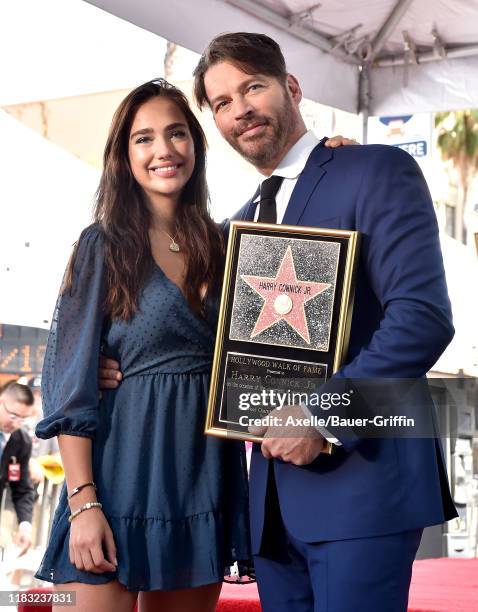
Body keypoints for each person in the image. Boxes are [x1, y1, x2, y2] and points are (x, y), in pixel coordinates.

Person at [101, 32, 457, 612]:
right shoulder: (233, 229)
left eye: (252, 87)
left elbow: (422, 318)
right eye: (220, 103)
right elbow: (184, 329)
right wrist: (106, 359)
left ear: (291, 87)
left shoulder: (375, 169)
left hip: (363, 490)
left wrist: (321, 414)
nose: (239, 109)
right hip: (266, 508)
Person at [34, 79, 252, 612]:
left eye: (176, 133)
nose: (163, 150)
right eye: (144, 138)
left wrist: (333, 156)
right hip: (118, 475)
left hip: (203, 475)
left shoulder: (226, 244)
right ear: (122, 156)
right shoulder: (102, 245)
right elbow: (69, 388)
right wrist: (84, 503)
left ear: (196, 146)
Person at [0, 381, 35, 554]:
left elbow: (21, 487)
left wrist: (25, 525)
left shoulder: (21, 442)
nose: (15, 424)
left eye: (22, 419)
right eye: (13, 416)